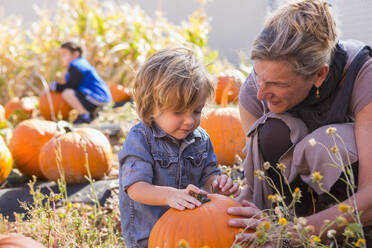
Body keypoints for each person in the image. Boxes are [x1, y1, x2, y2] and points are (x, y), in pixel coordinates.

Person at [226, 0, 372, 246]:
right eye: (259, 76)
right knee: (271, 130)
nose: (261, 93)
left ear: (319, 74)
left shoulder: (362, 75)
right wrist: (226, 210)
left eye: (277, 84)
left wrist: (297, 232)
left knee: (326, 141)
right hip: (293, 210)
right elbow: (258, 185)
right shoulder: (254, 93)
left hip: (356, 213)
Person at [118, 47, 240, 248]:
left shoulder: (201, 138)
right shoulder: (141, 139)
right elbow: (136, 188)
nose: (189, 121)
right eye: (177, 113)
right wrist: (170, 195)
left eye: (196, 111)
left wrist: (217, 184)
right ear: (150, 107)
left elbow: (208, 178)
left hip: (194, 233)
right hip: (150, 237)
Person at [50, 41, 112, 124]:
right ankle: (89, 113)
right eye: (61, 55)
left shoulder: (77, 65)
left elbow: (71, 86)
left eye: (64, 54)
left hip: (98, 99)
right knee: (68, 93)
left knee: (67, 93)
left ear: (75, 54)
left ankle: (85, 116)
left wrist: (56, 86)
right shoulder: (80, 64)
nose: (61, 57)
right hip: (98, 98)